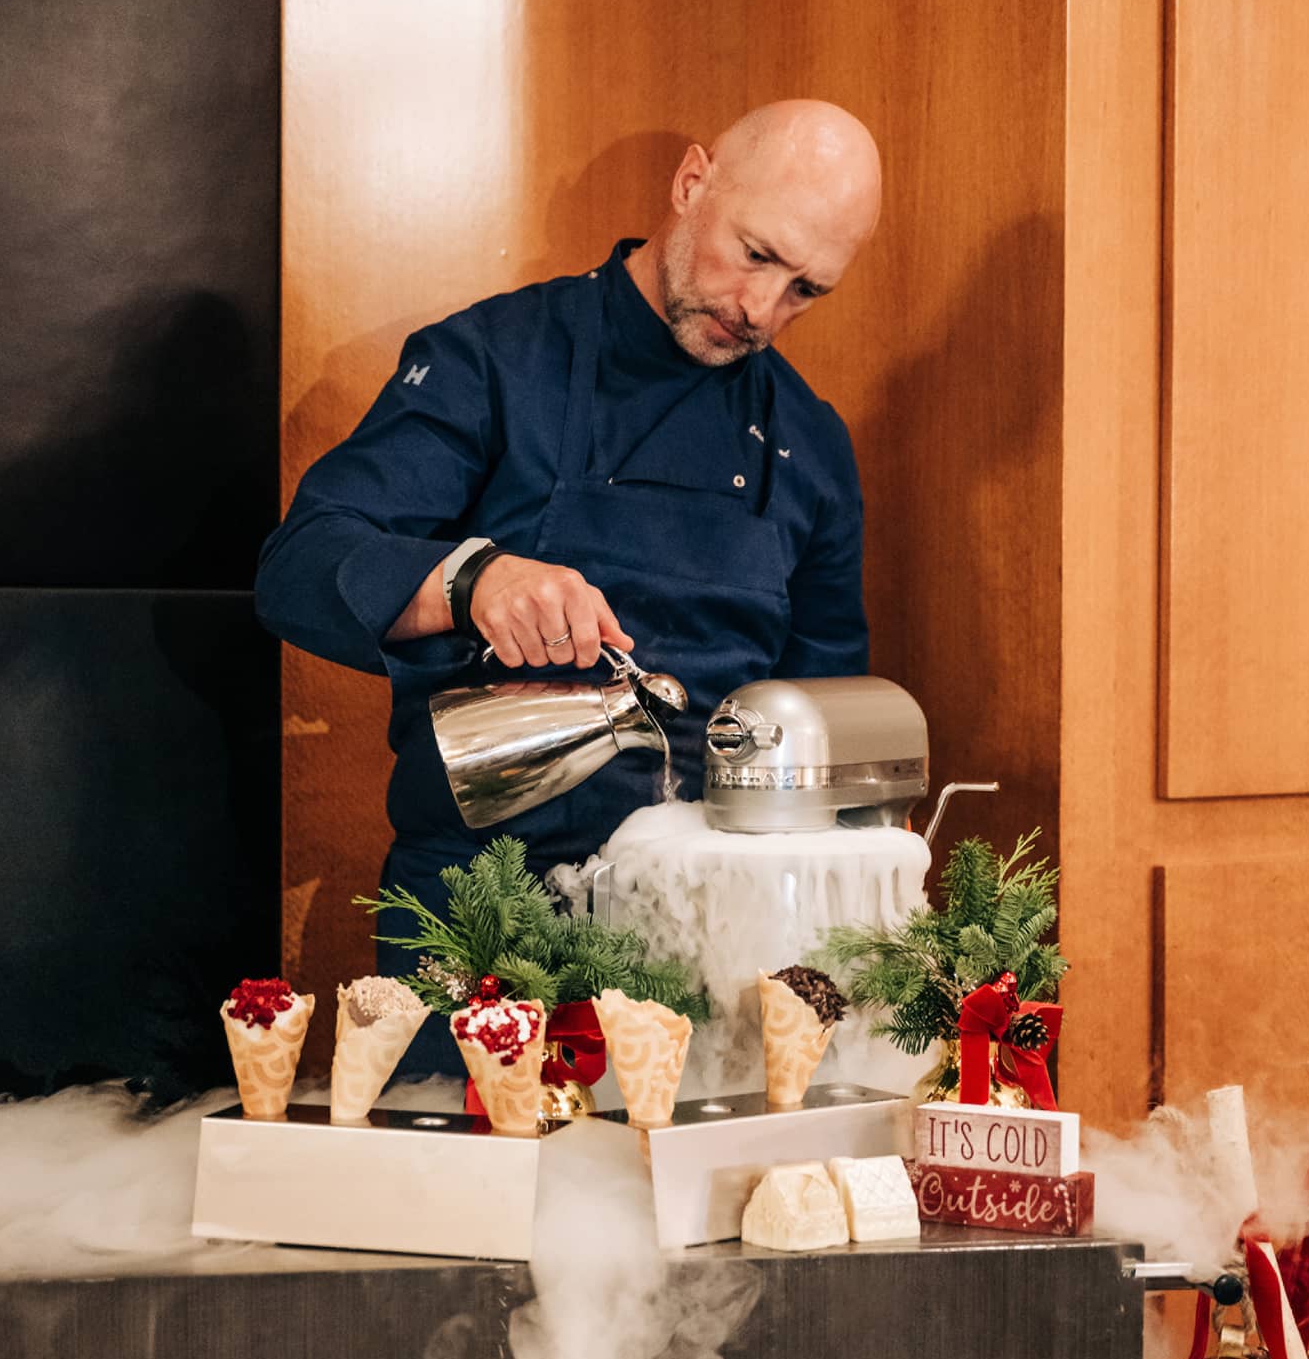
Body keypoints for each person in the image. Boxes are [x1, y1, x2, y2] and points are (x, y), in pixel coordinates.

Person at [255, 99, 882, 1066]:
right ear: (692, 183)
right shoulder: (494, 359)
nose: (761, 309)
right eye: (756, 254)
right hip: (481, 914)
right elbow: (298, 565)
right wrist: (472, 579)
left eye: (806, 289)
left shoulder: (812, 444)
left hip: (715, 929)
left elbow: (826, 718)